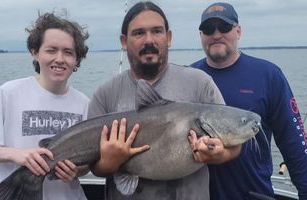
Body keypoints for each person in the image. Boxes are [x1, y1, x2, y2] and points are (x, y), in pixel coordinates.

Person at [88, 2, 241, 200]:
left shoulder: (200, 83)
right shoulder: (105, 94)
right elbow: (94, 167)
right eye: (138, 33)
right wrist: (109, 163)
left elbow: (234, 142)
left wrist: (221, 155)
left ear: (168, 37)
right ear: (124, 41)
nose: (149, 40)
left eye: (157, 31)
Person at [191, 2, 307, 199]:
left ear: (238, 31)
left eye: (224, 27)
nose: (216, 34)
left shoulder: (268, 76)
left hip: (252, 194)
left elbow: (293, 140)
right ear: (201, 35)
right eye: (209, 29)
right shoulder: (188, 77)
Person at [0, 12, 90, 200]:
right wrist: (16, 155)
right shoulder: (9, 93)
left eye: (68, 52)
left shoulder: (84, 103)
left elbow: (87, 165)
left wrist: (75, 171)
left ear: (76, 60)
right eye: (51, 50)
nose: (60, 59)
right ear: (35, 52)